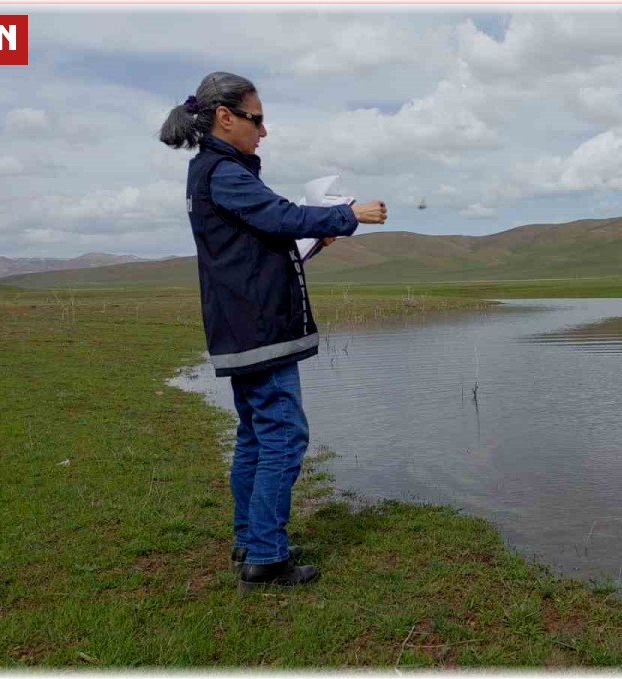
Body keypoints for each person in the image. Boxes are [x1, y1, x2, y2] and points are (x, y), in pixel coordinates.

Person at [159, 72, 388, 590]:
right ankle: (265, 556)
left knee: (257, 438)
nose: (263, 131)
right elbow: (279, 214)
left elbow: (262, 237)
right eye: (256, 119)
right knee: (283, 436)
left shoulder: (218, 172)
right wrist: (347, 214)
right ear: (225, 117)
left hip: (246, 326)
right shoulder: (224, 172)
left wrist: (315, 239)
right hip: (258, 329)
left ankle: (252, 541)